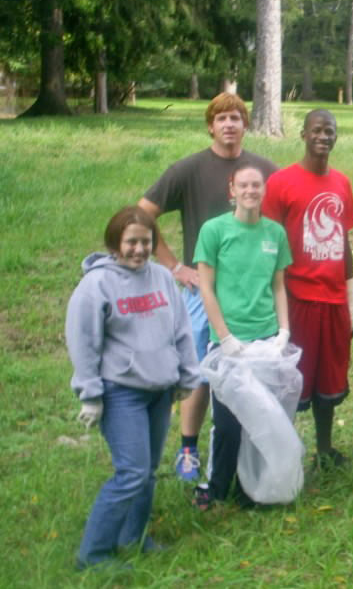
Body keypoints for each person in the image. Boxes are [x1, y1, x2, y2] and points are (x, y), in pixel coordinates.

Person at [137, 93, 278, 482]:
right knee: (200, 371)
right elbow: (142, 214)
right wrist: (174, 266)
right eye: (221, 118)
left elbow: (282, 220)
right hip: (203, 291)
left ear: (245, 124)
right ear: (210, 126)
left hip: (251, 294)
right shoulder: (188, 170)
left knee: (251, 369)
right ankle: (187, 449)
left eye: (236, 117)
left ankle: (248, 446)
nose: (229, 124)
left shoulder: (264, 170)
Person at [66, 206, 200, 570]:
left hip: (160, 390)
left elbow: (182, 330)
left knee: (148, 470)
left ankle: (133, 537)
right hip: (120, 391)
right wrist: (90, 394)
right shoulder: (96, 284)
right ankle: (92, 554)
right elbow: (84, 342)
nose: (139, 249)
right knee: (131, 473)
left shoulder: (160, 277)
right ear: (115, 243)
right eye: (131, 242)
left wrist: (187, 376)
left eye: (146, 241)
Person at [262, 109, 353, 469]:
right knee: (291, 380)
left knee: (328, 377)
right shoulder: (282, 182)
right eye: (317, 130)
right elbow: (269, 242)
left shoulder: (341, 183)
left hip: (333, 299)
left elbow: (345, 241)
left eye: (330, 131)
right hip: (297, 297)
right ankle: (283, 451)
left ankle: (324, 447)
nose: (324, 136)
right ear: (303, 135)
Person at [191, 165, 292, 510]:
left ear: (264, 191)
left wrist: (283, 331)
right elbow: (206, 288)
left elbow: (278, 286)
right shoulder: (214, 231)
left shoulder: (275, 234)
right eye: (243, 185)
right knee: (228, 422)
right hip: (229, 342)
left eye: (257, 185)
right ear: (231, 189)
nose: (251, 191)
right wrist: (224, 336)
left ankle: (253, 488)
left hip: (265, 340)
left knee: (262, 415)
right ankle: (217, 486)